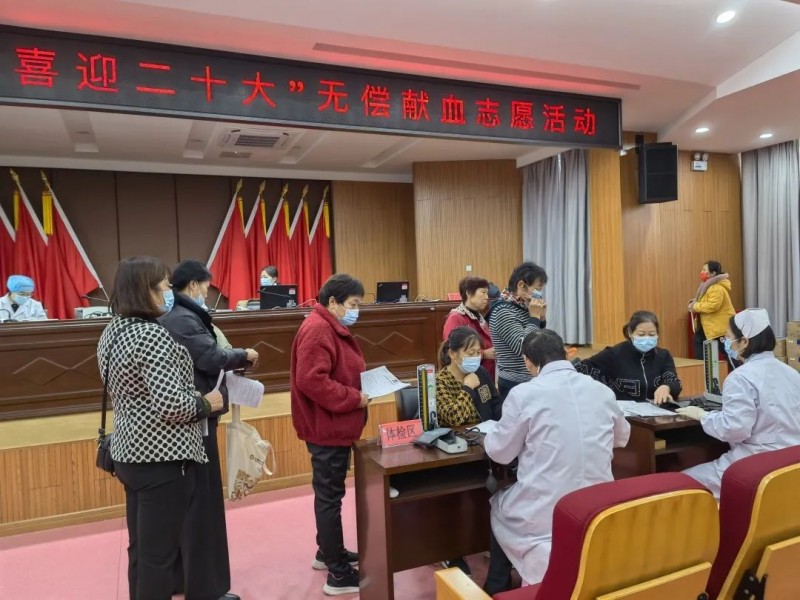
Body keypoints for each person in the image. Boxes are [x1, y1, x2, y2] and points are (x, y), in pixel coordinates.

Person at [99, 256, 223, 600]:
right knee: (160, 557)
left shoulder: (112, 331)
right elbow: (172, 407)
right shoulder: (153, 336)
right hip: (162, 457)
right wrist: (206, 403)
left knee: (141, 550)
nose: (170, 293)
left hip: (127, 451)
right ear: (146, 291)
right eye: (165, 287)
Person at [482, 329, 630, 593]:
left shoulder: (524, 394)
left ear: (528, 361)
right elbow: (622, 438)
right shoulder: (601, 390)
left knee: (499, 505)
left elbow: (500, 453)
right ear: (565, 353)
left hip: (545, 509)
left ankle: (497, 586)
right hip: (597, 504)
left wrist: (492, 435)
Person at [159, 260, 259, 600]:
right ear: (193, 285)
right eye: (205, 286)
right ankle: (206, 588)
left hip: (188, 419)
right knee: (202, 506)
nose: (207, 292)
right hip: (197, 418)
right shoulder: (184, 318)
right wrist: (243, 354)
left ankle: (183, 580)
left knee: (187, 505)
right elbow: (211, 357)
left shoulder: (177, 315)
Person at [291, 274, 368, 596]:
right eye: (353, 304)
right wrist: (353, 398)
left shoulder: (326, 324)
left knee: (329, 494)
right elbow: (312, 380)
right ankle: (338, 574)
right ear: (333, 302)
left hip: (332, 425)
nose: (356, 311)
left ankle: (328, 551)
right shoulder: (319, 328)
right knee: (329, 498)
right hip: (327, 427)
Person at [678, 309, 800, 498]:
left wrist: (704, 416)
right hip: (791, 464)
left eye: (728, 337)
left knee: (682, 483)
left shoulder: (740, 377)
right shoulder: (791, 373)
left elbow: (734, 429)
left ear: (744, 341)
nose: (725, 342)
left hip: (757, 463)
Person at [435, 326, 501, 576]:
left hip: (485, 445)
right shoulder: (441, 381)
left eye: (478, 352)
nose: (475, 357)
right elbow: (453, 418)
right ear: (453, 354)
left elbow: (494, 404)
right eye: (469, 352)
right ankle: (451, 550)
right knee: (456, 499)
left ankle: (489, 540)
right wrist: (467, 388)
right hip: (454, 452)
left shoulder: (481, 373)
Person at [573, 311, 682, 404]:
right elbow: (579, 369)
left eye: (652, 334)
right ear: (630, 332)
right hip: (623, 415)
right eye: (641, 334)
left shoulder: (663, 355)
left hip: (656, 413)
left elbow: (675, 382)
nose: (647, 338)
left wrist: (667, 387)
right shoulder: (613, 354)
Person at [487, 262, 548, 400]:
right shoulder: (503, 310)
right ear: (521, 285)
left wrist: (541, 319)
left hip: (532, 378)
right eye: (538, 288)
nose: (539, 294)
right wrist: (534, 318)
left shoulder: (524, 306)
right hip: (514, 383)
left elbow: (539, 341)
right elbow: (524, 348)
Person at [442, 277, 496, 380]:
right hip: (466, 378)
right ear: (469, 293)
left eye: (487, 293)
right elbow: (450, 351)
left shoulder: (479, 317)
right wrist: (484, 354)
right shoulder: (456, 317)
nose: (487, 297)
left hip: (484, 375)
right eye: (483, 292)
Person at [689, 260, 736, 360]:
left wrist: (695, 306)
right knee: (698, 341)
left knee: (729, 355)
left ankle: (737, 368)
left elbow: (713, 306)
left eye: (704, 270)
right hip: (710, 326)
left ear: (713, 273)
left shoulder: (716, 287)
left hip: (719, 328)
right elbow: (707, 301)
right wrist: (695, 303)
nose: (701, 272)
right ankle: (703, 368)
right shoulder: (708, 286)